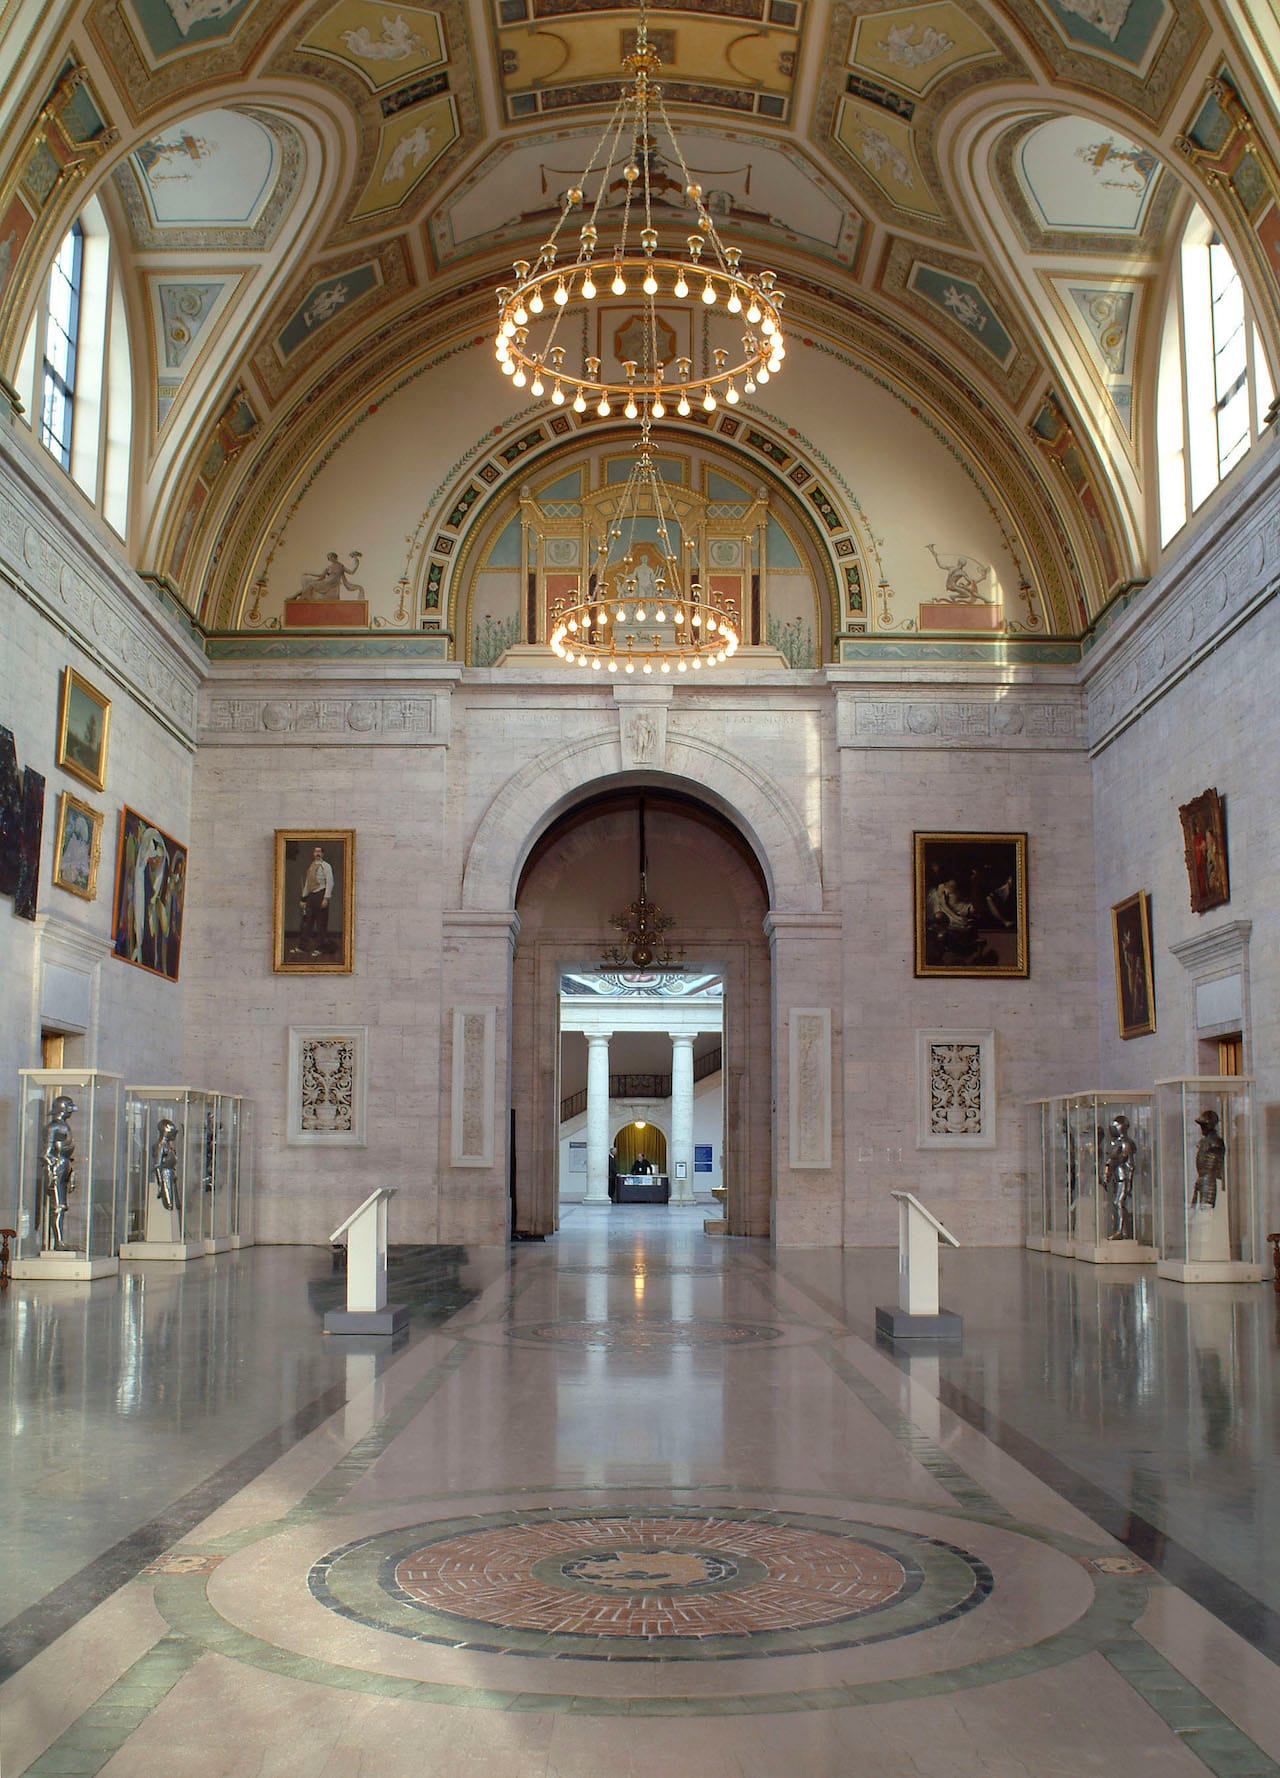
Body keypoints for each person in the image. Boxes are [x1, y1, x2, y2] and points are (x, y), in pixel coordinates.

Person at [39, 1094, 77, 1251]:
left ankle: (60, 1240)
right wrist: (51, 1174)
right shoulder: (53, 1127)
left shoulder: (62, 1126)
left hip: (64, 1165)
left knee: (62, 1206)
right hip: (56, 1168)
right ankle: (58, 1241)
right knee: (58, 1207)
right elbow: (46, 1154)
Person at [1103, 1114, 1136, 1240]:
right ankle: (1121, 1230)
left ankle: (1121, 1231)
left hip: (1124, 1178)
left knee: (1119, 1203)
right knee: (1116, 1203)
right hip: (1118, 1178)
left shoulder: (1126, 1144)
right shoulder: (1118, 1142)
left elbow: (1130, 1165)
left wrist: (1130, 1184)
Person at [299, 845, 334, 957]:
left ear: (322, 854)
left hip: (321, 895)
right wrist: (303, 898)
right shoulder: (311, 866)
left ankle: (320, 948)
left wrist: (326, 898)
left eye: (319, 852)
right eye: (315, 851)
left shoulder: (326, 866)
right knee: (307, 923)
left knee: (321, 924)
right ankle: (302, 947)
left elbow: (330, 882)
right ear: (313, 854)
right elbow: (307, 884)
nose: (317, 853)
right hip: (311, 896)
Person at [1191, 1109, 1225, 1210]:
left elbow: (1216, 1166)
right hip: (1202, 1179)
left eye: (1203, 1125)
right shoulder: (1204, 1141)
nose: (1202, 1128)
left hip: (1209, 1179)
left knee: (1206, 1211)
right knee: (1197, 1212)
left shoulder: (1215, 1141)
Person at [151, 1117, 179, 1213]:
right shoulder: (161, 1145)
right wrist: (160, 1185)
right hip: (165, 1173)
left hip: (170, 1172)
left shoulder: (168, 1145)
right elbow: (157, 1165)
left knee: (175, 1204)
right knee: (169, 1204)